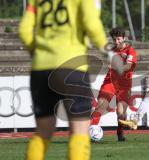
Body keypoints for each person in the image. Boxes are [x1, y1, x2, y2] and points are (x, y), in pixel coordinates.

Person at [18, 0, 111, 160]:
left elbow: (24, 30)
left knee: (43, 131)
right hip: (72, 67)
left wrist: (37, 52)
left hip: (41, 69)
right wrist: (106, 49)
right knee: (79, 131)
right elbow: (91, 23)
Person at [91, 27, 137, 141]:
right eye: (115, 40)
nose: (117, 42)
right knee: (101, 106)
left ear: (124, 38)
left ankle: (120, 133)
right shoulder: (112, 51)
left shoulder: (130, 51)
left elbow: (128, 66)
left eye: (119, 39)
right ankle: (91, 132)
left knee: (121, 113)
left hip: (124, 86)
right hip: (110, 83)